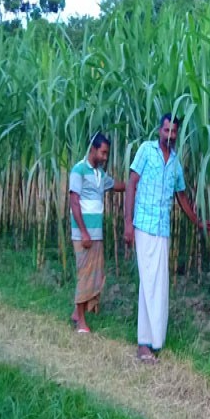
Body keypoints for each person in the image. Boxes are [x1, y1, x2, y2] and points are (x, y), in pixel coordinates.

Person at [124, 113, 210, 364]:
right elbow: (132, 184)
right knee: (148, 283)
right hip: (143, 224)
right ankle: (143, 344)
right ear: (159, 130)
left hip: (162, 229)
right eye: (166, 130)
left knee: (159, 285)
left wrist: (198, 222)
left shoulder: (174, 162)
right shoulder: (145, 150)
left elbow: (181, 197)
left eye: (174, 132)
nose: (169, 136)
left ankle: (155, 341)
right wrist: (127, 223)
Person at [69, 132, 125, 333]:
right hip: (84, 235)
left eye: (107, 154)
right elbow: (74, 201)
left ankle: (77, 313)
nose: (105, 157)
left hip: (97, 235)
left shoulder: (101, 175)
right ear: (93, 149)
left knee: (95, 275)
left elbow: (118, 186)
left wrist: (135, 185)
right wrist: (84, 233)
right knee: (85, 275)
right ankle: (81, 323)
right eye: (102, 152)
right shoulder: (79, 170)